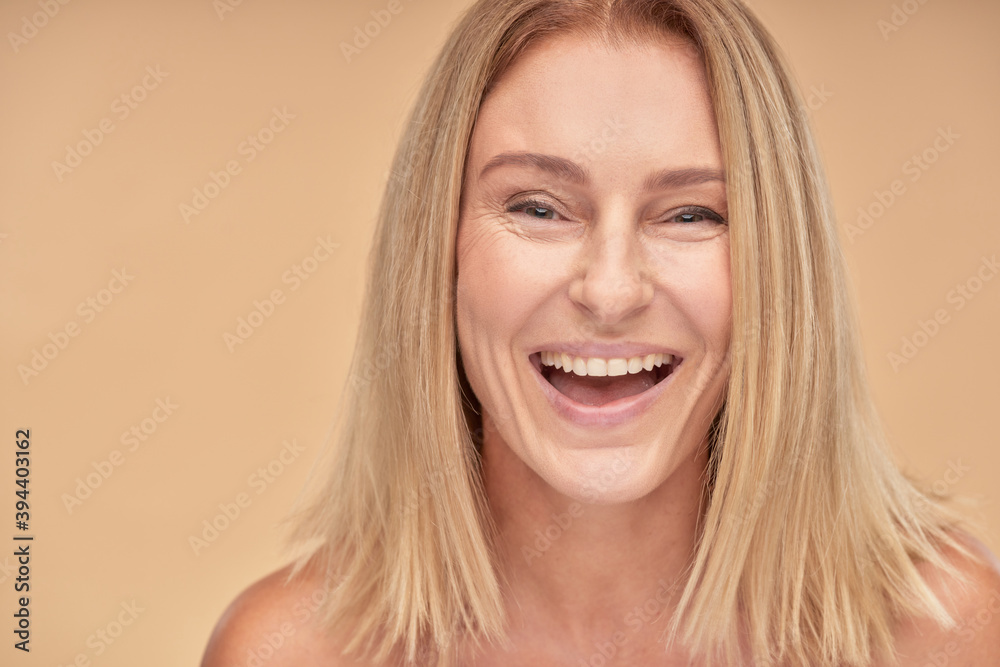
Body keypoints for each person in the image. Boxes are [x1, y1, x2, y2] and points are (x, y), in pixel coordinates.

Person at [200, 0, 1000, 665]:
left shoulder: (944, 630)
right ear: (435, 251)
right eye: (538, 207)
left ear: (780, 267)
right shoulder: (288, 650)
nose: (611, 290)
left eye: (691, 213)